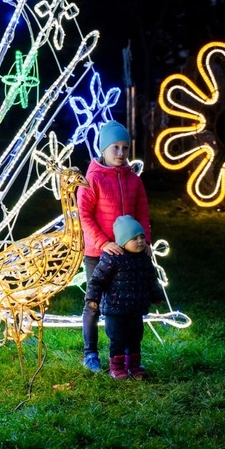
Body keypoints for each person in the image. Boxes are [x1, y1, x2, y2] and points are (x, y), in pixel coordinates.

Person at [77, 120, 152, 372]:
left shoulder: (134, 180)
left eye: (125, 147)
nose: (121, 153)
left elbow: (142, 212)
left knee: (123, 305)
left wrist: (144, 241)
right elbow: (84, 215)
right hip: (98, 253)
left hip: (127, 255)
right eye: (115, 148)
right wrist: (103, 242)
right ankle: (90, 353)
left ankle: (125, 354)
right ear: (104, 149)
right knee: (94, 303)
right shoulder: (92, 180)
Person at [83, 215, 164, 380]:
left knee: (135, 337)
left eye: (142, 237)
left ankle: (133, 365)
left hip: (136, 308)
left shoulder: (144, 259)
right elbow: (97, 281)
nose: (140, 241)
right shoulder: (112, 259)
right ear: (122, 241)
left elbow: (151, 278)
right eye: (134, 238)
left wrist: (156, 295)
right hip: (115, 309)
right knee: (117, 339)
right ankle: (117, 367)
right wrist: (92, 299)